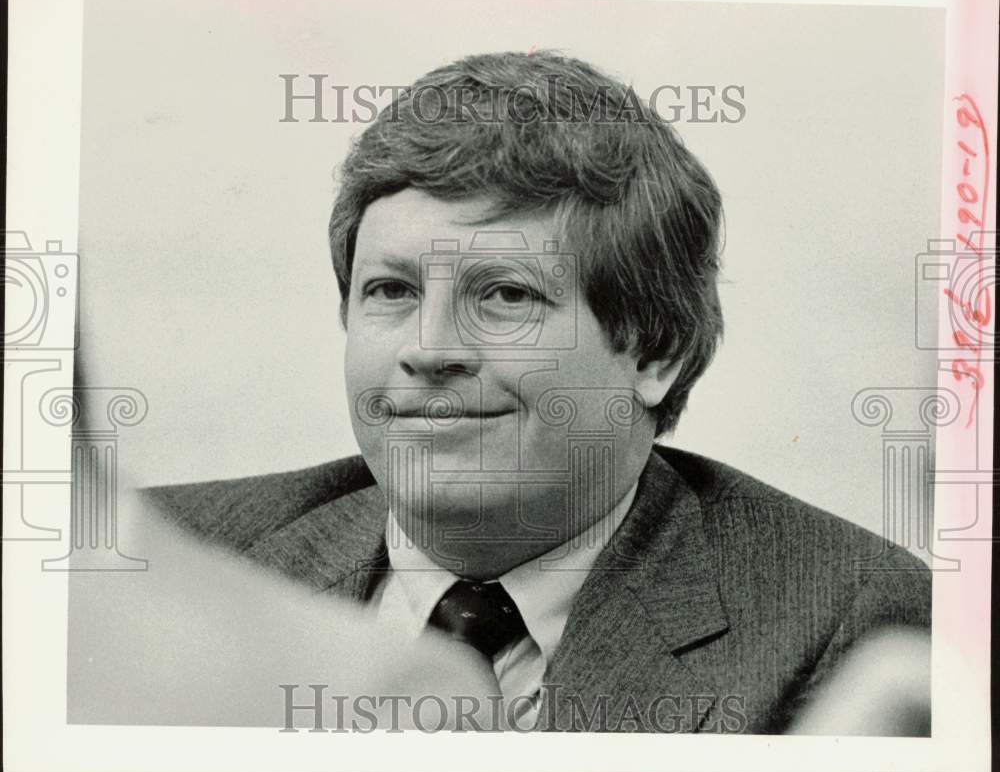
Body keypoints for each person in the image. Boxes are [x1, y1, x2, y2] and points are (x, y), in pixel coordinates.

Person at [147, 50, 930, 733]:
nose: (429, 350)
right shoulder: (167, 559)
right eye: (390, 291)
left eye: (506, 296)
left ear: (655, 349)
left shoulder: (847, 620)